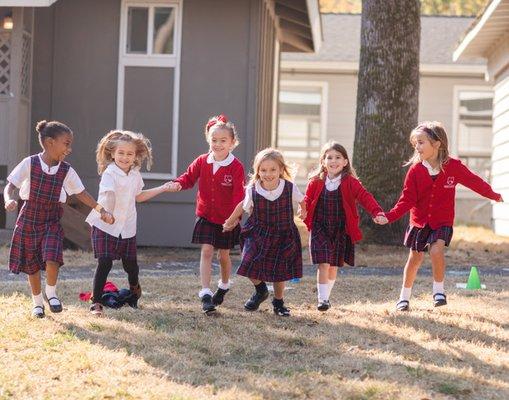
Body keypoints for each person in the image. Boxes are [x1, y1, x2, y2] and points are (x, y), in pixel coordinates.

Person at [380, 121, 504, 311]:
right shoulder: (415, 170)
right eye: (415, 144)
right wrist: (389, 216)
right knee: (415, 258)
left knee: (436, 251)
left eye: (421, 142)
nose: (417, 147)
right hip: (420, 221)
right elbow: (406, 200)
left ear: (437, 144)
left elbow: (474, 182)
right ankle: (404, 297)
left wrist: (494, 195)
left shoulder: (453, 166)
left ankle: (439, 291)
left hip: (442, 221)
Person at [3, 120, 114, 318]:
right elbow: (10, 186)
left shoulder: (66, 170)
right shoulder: (30, 163)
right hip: (29, 217)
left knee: (53, 256)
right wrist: (8, 199)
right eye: (66, 143)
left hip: (52, 218)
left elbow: (81, 193)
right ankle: (37, 303)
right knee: (32, 264)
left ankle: (51, 293)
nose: (69, 149)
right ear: (49, 142)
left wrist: (101, 209)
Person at [86, 130, 179, 316]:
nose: (125, 157)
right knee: (104, 262)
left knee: (131, 266)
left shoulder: (135, 174)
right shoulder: (109, 173)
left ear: (136, 156)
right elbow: (110, 194)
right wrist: (109, 213)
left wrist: (162, 188)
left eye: (130, 154)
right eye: (121, 153)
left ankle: (134, 289)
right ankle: (96, 302)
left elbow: (139, 196)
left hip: (127, 226)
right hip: (105, 224)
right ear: (112, 153)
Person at [172, 115, 245, 314]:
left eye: (223, 141)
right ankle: (205, 292)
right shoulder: (202, 161)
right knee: (206, 251)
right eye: (214, 140)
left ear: (232, 143)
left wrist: (233, 220)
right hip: (206, 215)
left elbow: (240, 197)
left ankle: (223, 284)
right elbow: (188, 178)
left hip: (227, 218)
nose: (218, 144)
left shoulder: (236, 166)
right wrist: (177, 184)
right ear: (208, 141)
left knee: (223, 255)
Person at [304, 141, 387, 311]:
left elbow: (365, 197)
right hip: (320, 226)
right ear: (323, 162)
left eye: (337, 157)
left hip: (340, 229)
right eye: (329, 157)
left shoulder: (350, 182)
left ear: (345, 162)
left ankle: (327, 296)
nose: (333, 161)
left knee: (333, 265)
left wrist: (377, 212)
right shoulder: (316, 181)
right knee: (323, 262)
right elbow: (307, 199)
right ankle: (322, 299)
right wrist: (302, 209)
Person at [223, 148, 306, 317]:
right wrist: (230, 221)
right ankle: (260, 290)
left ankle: (279, 302)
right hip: (258, 233)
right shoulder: (252, 189)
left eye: (273, 169)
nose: (268, 174)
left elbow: (302, 200)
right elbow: (242, 206)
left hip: (283, 233)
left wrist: (303, 211)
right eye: (263, 170)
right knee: (248, 262)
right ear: (257, 171)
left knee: (279, 271)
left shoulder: (289, 187)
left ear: (281, 170)